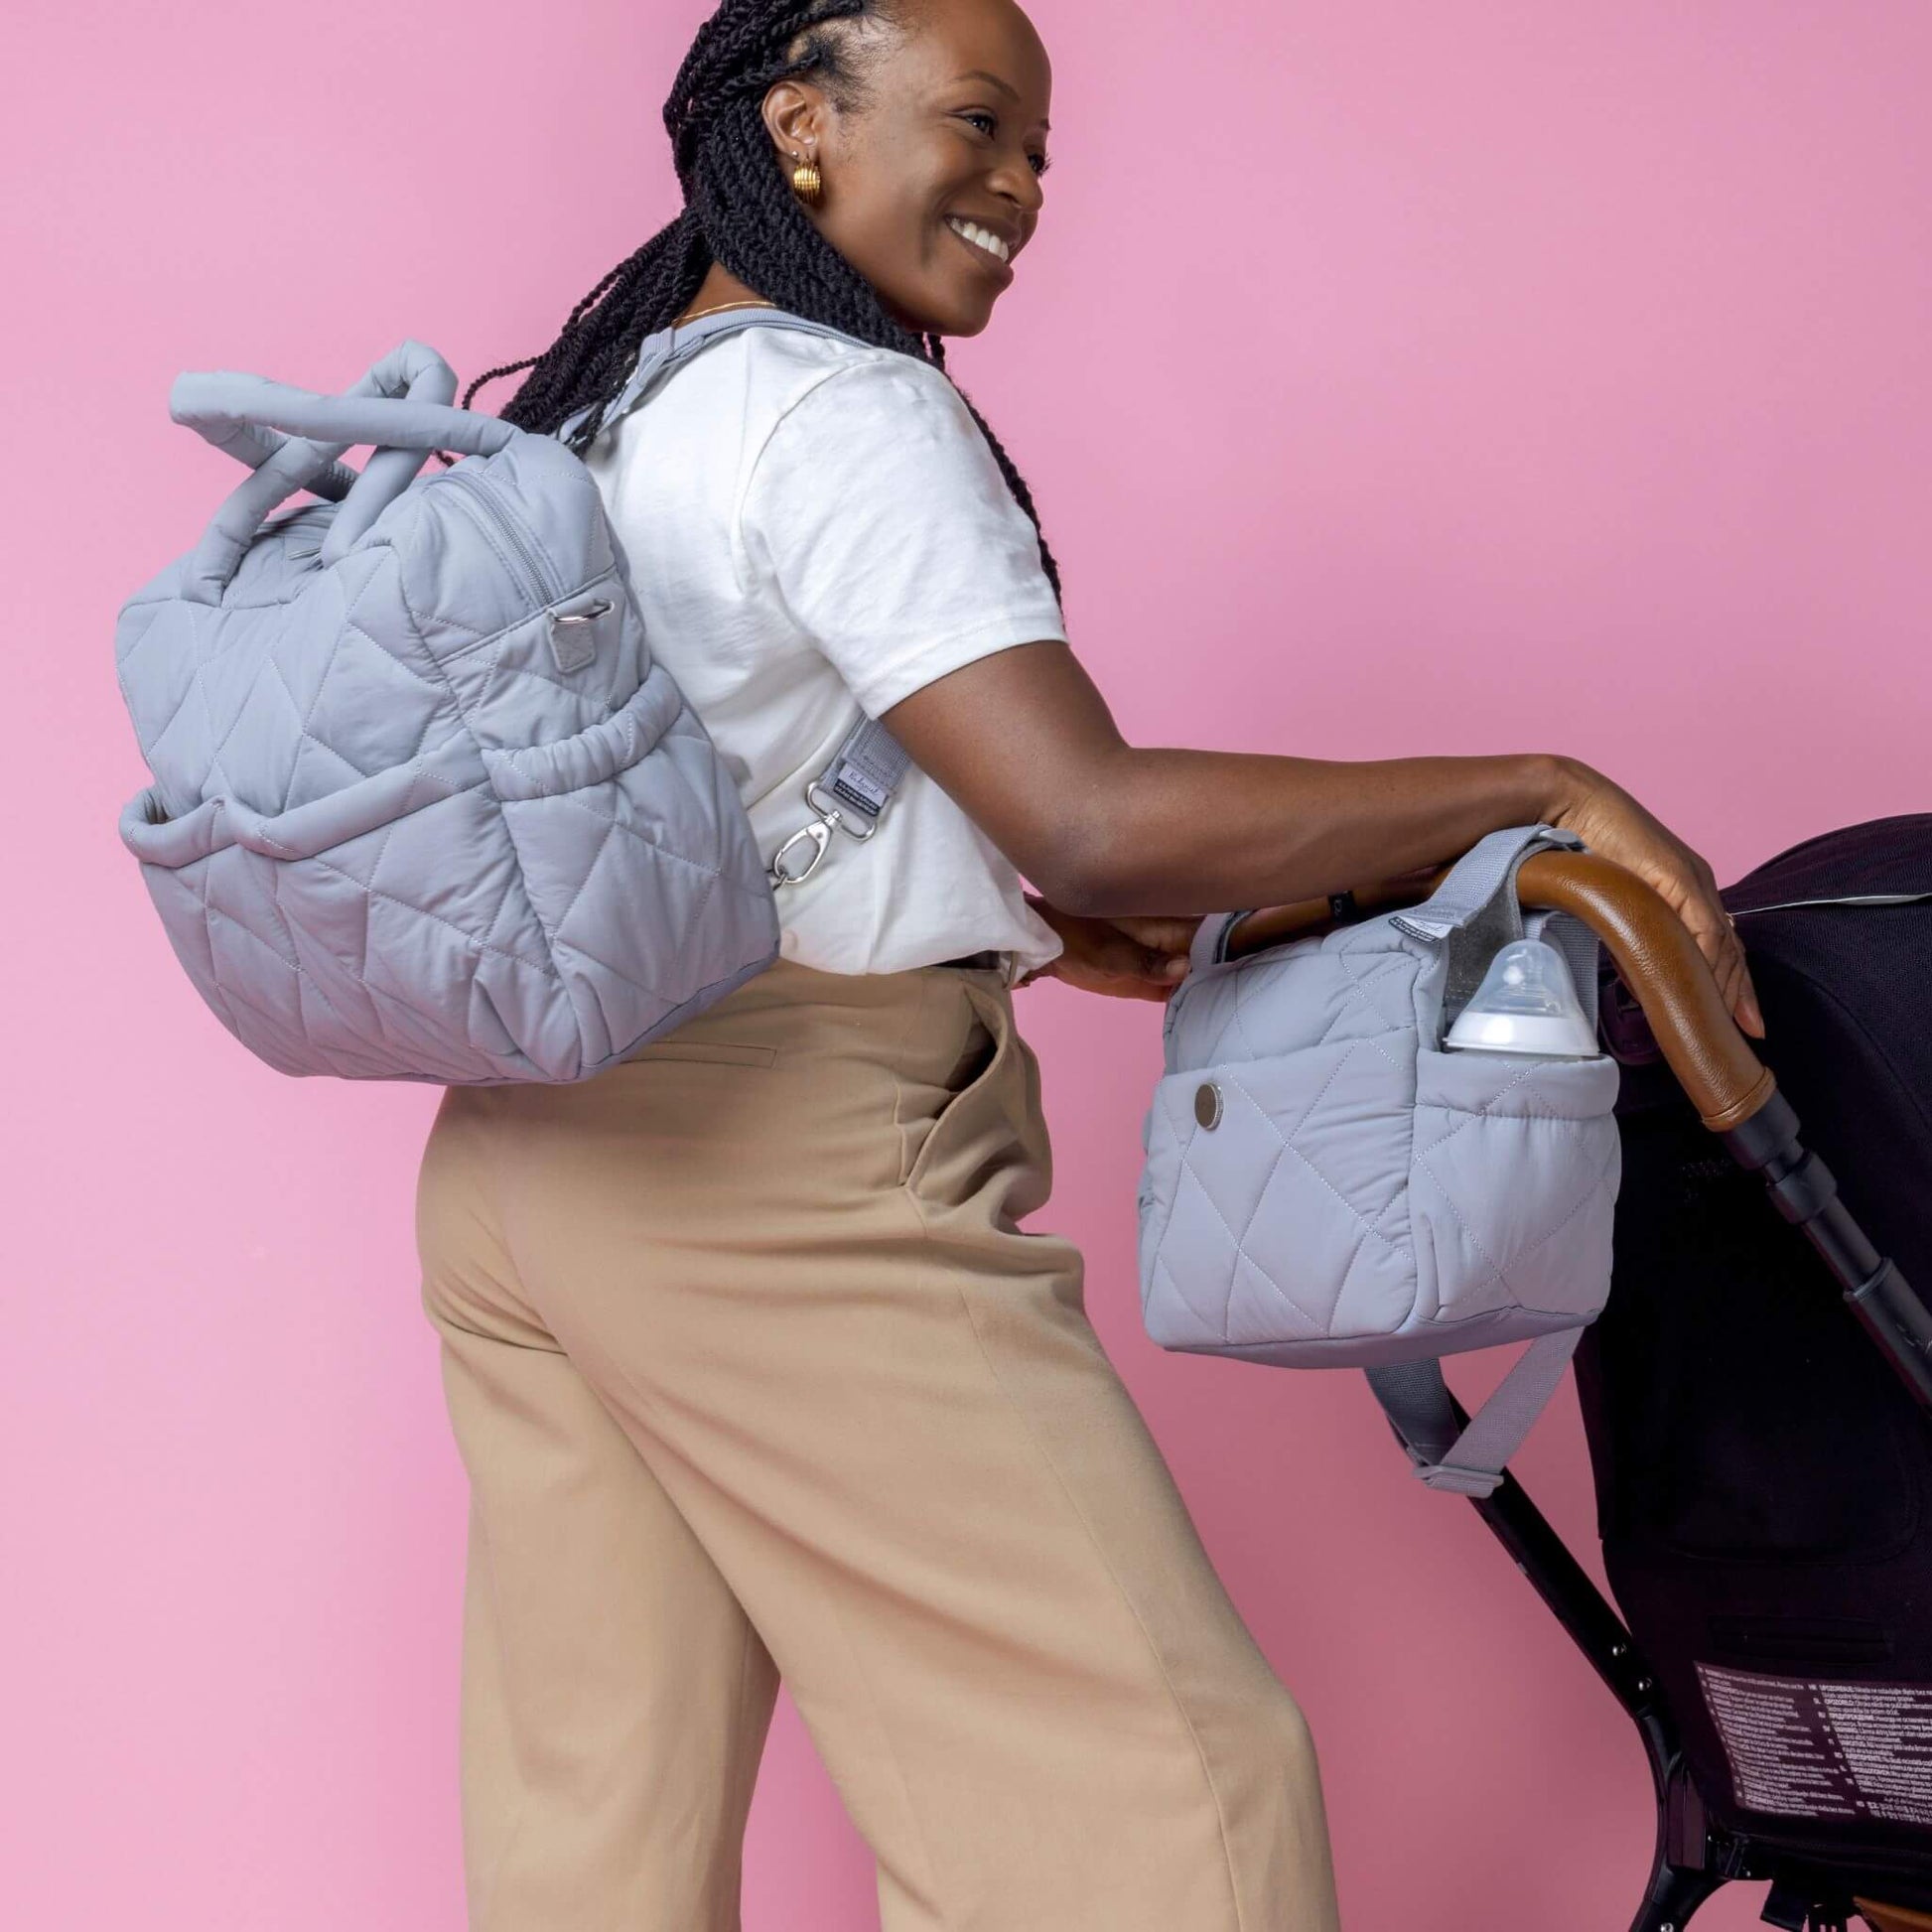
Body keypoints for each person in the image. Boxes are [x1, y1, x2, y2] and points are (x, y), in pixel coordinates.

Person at [414, 1, 1765, 1927]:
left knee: (591, 1846)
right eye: (977, 122)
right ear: (799, 119)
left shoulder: (618, 406)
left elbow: (761, 788)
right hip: (772, 1173)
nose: (1022, 189)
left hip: (530, 1164)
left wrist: (1025, 915)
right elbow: (1088, 811)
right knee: (1165, 1805)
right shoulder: (835, 405)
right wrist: (1537, 784)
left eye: (1043, 151)